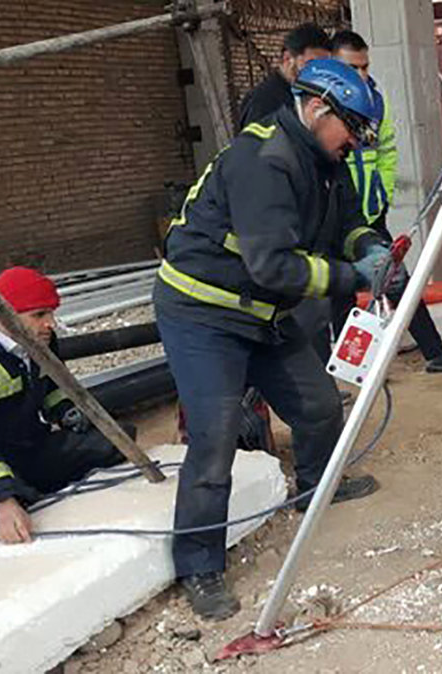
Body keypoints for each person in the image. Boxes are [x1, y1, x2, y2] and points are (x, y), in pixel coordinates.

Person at [155, 59, 389, 619]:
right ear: (317, 108)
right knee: (214, 443)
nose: (355, 144)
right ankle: (199, 565)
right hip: (203, 314)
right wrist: (350, 277)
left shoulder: (322, 160)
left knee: (317, 404)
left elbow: (347, 219)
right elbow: (274, 267)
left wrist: (365, 246)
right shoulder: (263, 160)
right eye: (351, 129)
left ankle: (312, 489)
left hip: (260, 313)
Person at [328, 30, 442, 376]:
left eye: (365, 66)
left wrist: (381, 193)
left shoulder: (374, 101)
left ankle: (435, 353)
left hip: (368, 215)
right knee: (339, 294)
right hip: (334, 219)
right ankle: (348, 370)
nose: (363, 75)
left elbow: (387, 149)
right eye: (354, 67)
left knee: (398, 280)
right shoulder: (323, 107)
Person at [0, 267, 129, 542]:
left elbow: (53, 390)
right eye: (39, 315)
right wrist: (3, 502)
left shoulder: (41, 342)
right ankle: (8, 496)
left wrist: (70, 414)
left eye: (51, 312)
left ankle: (26, 490)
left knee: (116, 440)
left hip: (30, 448)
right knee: (5, 496)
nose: (50, 323)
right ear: (3, 313)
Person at [236, 22, 332, 129]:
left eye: (324, 66)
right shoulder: (263, 103)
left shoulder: (305, 95)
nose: (317, 72)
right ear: (287, 59)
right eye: (311, 64)